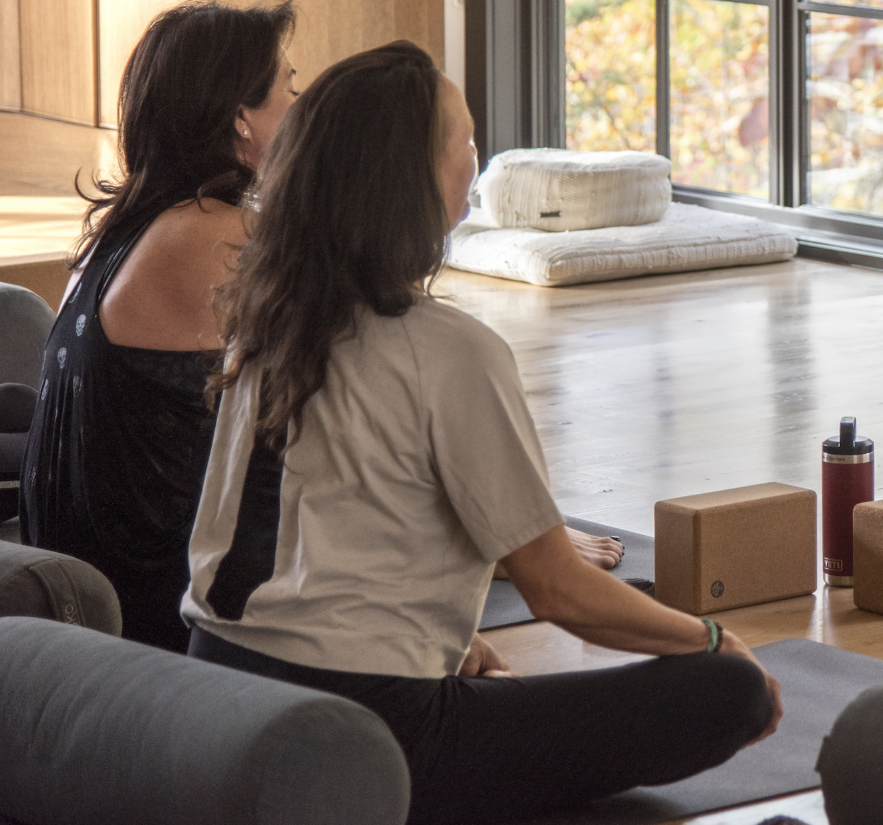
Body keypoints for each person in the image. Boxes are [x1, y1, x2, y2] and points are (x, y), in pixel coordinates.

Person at [183, 42, 781, 825]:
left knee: (614, 628)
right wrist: (711, 640)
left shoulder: (263, 324)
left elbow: (319, 531)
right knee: (724, 692)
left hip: (214, 687)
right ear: (416, 180)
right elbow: (557, 590)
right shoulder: (450, 351)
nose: (476, 158)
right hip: (377, 730)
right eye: (465, 141)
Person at [21, 0, 299, 649]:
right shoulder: (216, 238)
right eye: (289, 89)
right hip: (156, 612)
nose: (301, 109)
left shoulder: (126, 227)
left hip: (88, 583)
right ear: (239, 120)